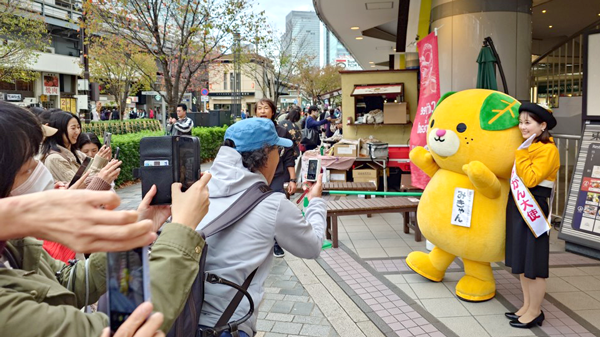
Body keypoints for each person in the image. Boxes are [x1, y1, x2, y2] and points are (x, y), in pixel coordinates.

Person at [0, 100, 213, 336]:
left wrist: (133, 231)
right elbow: (126, 328)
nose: (41, 173)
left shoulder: (12, 245)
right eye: (28, 170)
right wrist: (182, 231)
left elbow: (72, 282)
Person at [196, 118, 327, 336]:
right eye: (277, 150)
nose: (279, 157)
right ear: (266, 155)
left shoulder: (197, 189)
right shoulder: (272, 205)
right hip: (229, 325)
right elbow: (312, 246)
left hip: (186, 319)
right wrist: (316, 202)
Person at [504, 103, 560, 329]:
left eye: (528, 123)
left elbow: (530, 179)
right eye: (521, 122)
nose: (522, 127)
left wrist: (521, 153)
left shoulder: (548, 149)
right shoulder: (530, 145)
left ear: (542, 125)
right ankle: (526, 306)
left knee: (534, 265)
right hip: (520, 207)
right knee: (523, 260)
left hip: (534, 207)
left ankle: (535, 311)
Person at [255, 99, 299, 258]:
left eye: (266, 108)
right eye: (259, 108)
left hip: (277, 176)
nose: (262, 111)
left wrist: (293, 180)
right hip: (255, 177)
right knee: (257, 210)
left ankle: (276, 243)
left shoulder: (281, 132)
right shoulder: (251, 131)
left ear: (273, 112)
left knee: (275, 210)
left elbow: (289, 157)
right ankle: (260, 243)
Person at [40, 111, 111, 184]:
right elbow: (78, 186)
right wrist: (99, 161)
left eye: (78, 127)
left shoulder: (78, 154)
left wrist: (104, 159)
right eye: (73, 128)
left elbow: (98, 176)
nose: (77, 131)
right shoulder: (54, 159)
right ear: (60, 130)